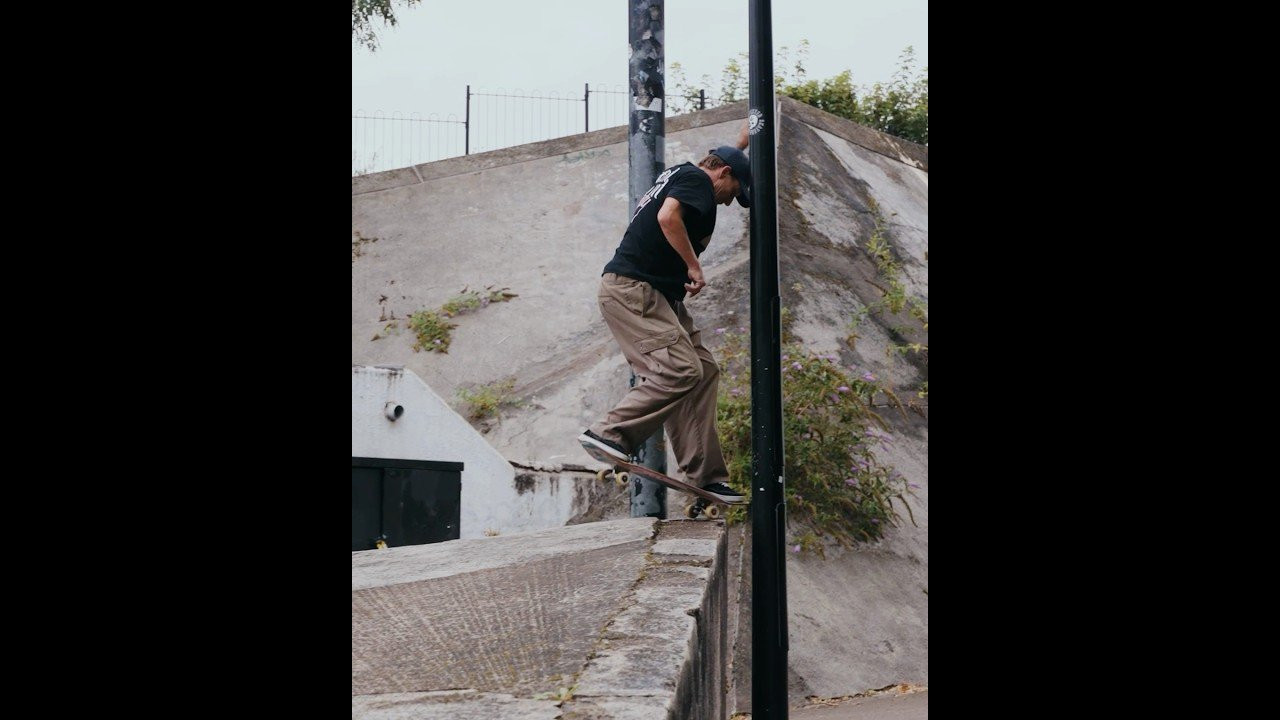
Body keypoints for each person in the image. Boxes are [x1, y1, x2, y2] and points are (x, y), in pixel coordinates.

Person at [578, 127, 752, 505]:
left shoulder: (684, 172)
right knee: (678, 370)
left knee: (702, 370)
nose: (728, 203)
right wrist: (694, 265)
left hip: (657, 295)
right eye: (734, 192)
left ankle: (705, 476)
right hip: (634, 291)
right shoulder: (696, 180)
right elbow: (669, 216)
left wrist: (742, 142)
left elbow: (719, 161)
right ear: (723, 174)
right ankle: (609, 433)